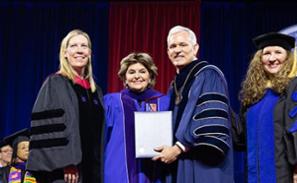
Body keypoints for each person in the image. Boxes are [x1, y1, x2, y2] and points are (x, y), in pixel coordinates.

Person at [235, 32, 297, 183]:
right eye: (266, 53)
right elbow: (242, 135)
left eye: (278, 52)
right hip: (256, 175)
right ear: (259, 59)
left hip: (290, 174)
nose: (272, 58)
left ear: (288, 57)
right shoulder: (255, 94)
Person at [152, 25, 235, 183]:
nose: (177, 50)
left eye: (183, 45)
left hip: (203, 164)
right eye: (173, 46)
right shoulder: (175, 84)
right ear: (168, 52)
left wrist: (177, 148)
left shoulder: (209, 74)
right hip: (179, 162)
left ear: (195, 48)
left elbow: (210, 122)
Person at [26, 29, 104, 183]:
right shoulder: (55, 83)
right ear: (65, 53)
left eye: (84, 46)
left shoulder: (96, 91)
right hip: (67, 172)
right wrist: (66, 162)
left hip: (93, 169)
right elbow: (48, 128)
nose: (80, 50)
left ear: (89, 53)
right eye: (74, 46)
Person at [104, 52, 170, 183]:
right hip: (118, 173)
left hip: (156, 173)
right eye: (131, 72)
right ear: (124, 77)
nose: (137, 76)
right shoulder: (111, 102)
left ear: (150, 75)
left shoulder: (164, 102)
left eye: (142, 71)